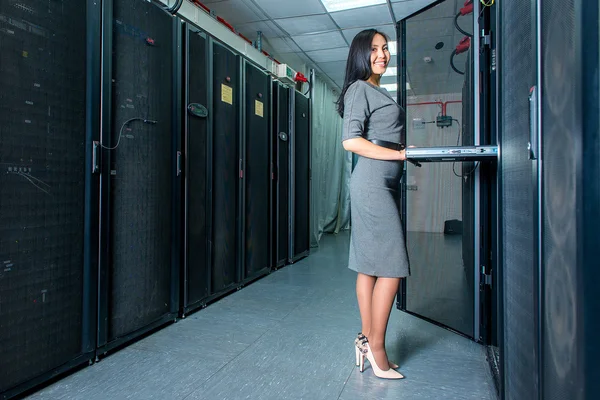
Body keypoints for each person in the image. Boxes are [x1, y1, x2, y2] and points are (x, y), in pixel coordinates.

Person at [336, 29, 410, 380]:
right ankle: (377, 348)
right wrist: (399, 153)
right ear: (361, 55)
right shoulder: (359, 89)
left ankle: (366, 339)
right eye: (374, 49)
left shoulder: (378, 90)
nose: (381, 54)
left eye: (385, 48)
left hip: (383, 184)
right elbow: (351, 141)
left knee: (368, 266)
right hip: (371, 185)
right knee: (393, 267)